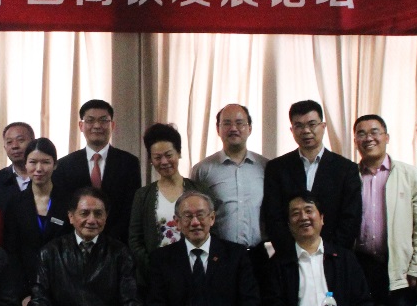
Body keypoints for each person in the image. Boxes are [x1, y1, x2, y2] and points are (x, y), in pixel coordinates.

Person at [146, 190, 260, 306]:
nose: (195, 222)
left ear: (212, 218)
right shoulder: (161, 258)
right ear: (177, 222)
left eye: (200, 215)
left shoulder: (235, 255)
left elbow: (249, 302)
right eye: (187, 216)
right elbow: (155, 305)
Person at [260, 100, 362, 262]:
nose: (306, 131)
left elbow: (350, 219)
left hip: (334, 258)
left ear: (323, 126)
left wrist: (329, 254)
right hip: (290, 259)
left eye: (312, 124)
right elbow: (273, 217)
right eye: (299, 126)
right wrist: (292, 253)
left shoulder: (346, 169)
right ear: (292, 130)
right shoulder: (277, 168)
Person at [351, 114, 417, 306]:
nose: (368, 138)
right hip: (360, 266)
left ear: (386, 137)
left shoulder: (412, 176)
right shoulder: (349, 175)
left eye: (374, 132)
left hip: (399, 270)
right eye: (361, 134)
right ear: (355, 141)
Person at [28, 188, 143, 306]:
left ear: (106, 217)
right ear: (71, 216)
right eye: (84, 213)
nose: (91, 220)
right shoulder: (50, 253)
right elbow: (39, 302)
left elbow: (131, 303)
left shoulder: (120, 253)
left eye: (98, 214)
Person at [268, 194, 373, 306]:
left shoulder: (345, 260)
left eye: (308, 211)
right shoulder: (278, 264)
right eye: (296, 213)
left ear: (322, 218)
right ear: (289, 225)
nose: (303, 217)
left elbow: (362, 304)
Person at [128, 123, 208, 284]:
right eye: (157, 157)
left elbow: (211, 231)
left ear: (179, 153)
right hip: (156, 276)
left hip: (194, 272)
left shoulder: (200, 190)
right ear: (151, 160)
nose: (164, 162)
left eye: (169, 155)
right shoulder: (143, 195)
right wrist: (154, 267)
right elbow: (135, 239)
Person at [52, 99, 143, 240]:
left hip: (117, 243)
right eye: (90, 120)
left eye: (103, 120)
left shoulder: (129, 163)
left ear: (112, 125)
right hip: (76, 242)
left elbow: (130, 208)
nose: (97, 125)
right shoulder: (64, 165)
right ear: (81, 126)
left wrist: (109, 242)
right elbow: (64, 207)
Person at [2, 138, 72, 306]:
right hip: (27, 287)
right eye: (33, 162)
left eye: (46, 162)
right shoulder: (15, 203)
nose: (39, 168)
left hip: (64, 286)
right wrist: (23, 294)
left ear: (55, 165)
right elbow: (11, 252)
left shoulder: (69, 201)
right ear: (26, 164)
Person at [191, 103, 267, 248]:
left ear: (249, 128)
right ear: (218, 129)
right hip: (219, 252)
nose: (233, 128)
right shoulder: (202, 170)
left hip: (258, 253)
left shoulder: (265, 167)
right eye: (227, 123)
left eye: (239, 123)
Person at [0, 122, 35, 210]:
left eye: (20, 140)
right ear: (4, 147)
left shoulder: (47, 177)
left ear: (33, 143)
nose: (15, 146)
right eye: (9, 142)